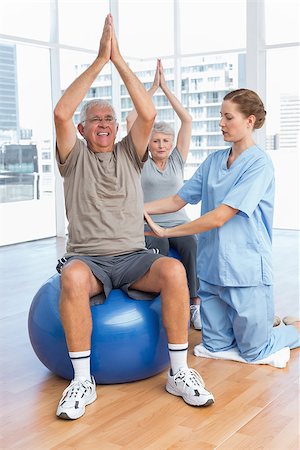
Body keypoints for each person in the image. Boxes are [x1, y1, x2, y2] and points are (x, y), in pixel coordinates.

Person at [53, 14, 214, 420]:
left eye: (109, 118)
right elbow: (60, 113)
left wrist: (119, 61)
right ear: (83, 129)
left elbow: (147, 114)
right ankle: (82, 381)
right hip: (89, 259)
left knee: (175, 271)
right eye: (95, 120)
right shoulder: (73, 158)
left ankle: (180, 373)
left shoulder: (130, 152)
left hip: (132, 254)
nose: (104, 124)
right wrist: (98, 60)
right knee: (71, 277)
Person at [144, 88, 300, 369]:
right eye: (221, 116)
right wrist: (139, 209)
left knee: (255, 351)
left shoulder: (260, 164)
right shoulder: (214, 161)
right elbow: (178, 199)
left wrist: (167, 232)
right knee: (215, 345)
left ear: (249, 121)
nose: (221, 123)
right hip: (212, 269)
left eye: (229, 117)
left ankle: (293, 329)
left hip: (246, 270)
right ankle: (265, 321)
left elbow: (219, 217)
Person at [126, 59, 201, 330]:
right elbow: (132, 119)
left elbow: (187, 120)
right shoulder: (139, 159)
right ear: (149, 142)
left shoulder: (177, 160)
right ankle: (162, 306)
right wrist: (152, 88)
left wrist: (167, 89)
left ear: (171, 144)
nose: (160, 145)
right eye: (155, 140)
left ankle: (194, 304)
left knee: (191, 245)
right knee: (163, 250)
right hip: (148, 224)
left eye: (165, 141)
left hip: (179, 224)